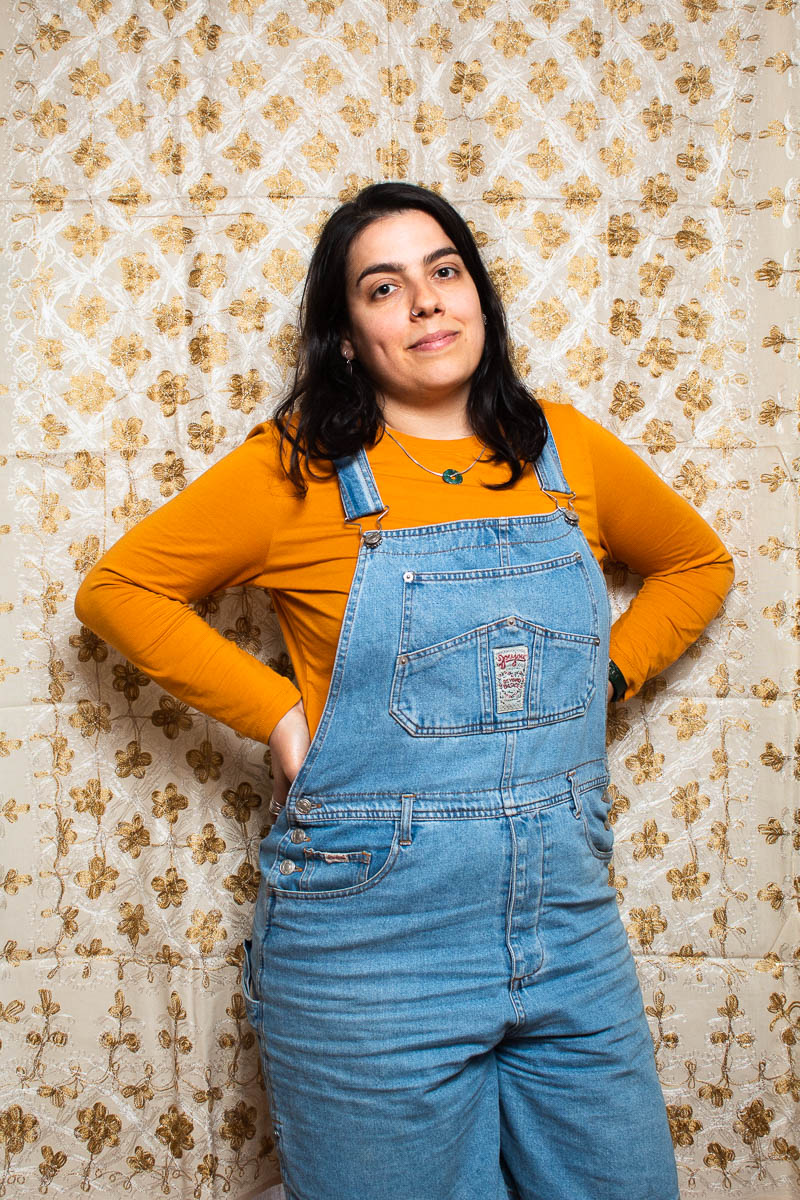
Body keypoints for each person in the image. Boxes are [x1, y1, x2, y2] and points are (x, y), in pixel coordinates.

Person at [74, 181, 734, 1200]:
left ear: (477, 298)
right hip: (369, 948)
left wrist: (599, 674)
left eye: (443, 271)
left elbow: (695, 561)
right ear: (346, 338)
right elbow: (118, 589)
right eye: (383, 288)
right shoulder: (295, 470)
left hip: (564, 927)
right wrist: (281, 720)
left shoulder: (567, 453)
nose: (424, 302)